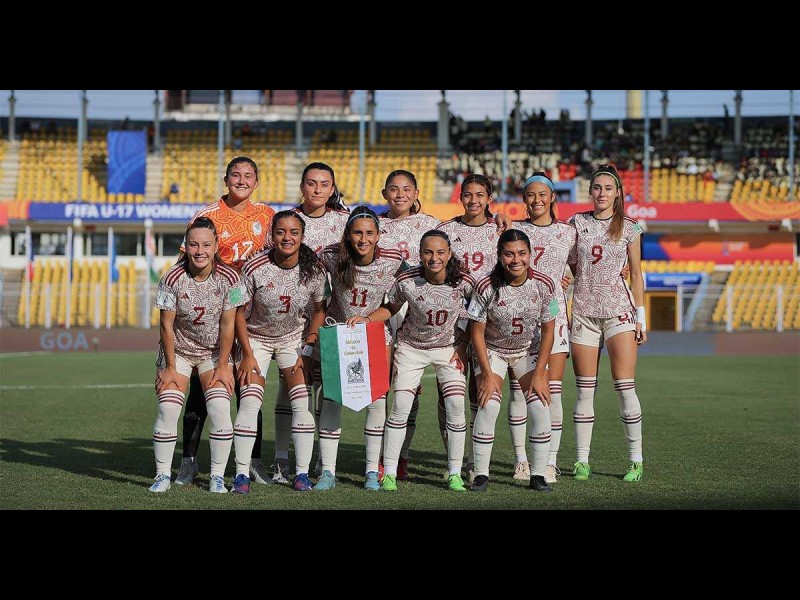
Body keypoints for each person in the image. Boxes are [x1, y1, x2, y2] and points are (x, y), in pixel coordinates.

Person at [377, 170, 512, 481]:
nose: (400, 194)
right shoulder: (436, 227)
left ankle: (472, 463)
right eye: (394, 189)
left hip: (471, 318)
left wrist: (502, 216)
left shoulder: (491, 228)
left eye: (480, 195)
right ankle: (399, 459)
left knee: (474, 392)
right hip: (410, 308)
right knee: (407, 395)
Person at [175, 157, 276, 487]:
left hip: (251, 319)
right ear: (226, 179)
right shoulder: (207, 216)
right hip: (211, 321)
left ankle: (252, 462)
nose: (242, 180)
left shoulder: (267, 216)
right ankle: (188, 463)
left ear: (256, 182)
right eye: (236, 175)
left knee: (250, 392)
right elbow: (184, 262)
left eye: (248, 176)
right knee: (200, 394)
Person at [351, 230, 475, 492]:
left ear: (449, 254)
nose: (434, 258)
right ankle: (390, 473)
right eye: (428, 252)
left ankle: (455, 473)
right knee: (401, 405)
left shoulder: (464, 281)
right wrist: (368, 319)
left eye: (440, 252)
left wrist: (464, 344)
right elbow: (392, 308)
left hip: (448, 348)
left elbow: (478, 312)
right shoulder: (407, 280)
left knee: (455, 404)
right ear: (420, 254)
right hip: (411, 348)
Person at [437, 174, 528, 483]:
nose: (473, 200)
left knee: (482, 393)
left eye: (480, 195)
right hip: (451, 322)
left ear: (490, 199)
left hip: (489, 324)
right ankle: (454, 459)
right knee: (448, 394)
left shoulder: (499, 230)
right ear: (460, 197)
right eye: (468, 194)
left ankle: (480, 461)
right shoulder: (446, 231)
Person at [148, 217, 249, 493]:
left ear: (216, 246)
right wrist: (170, 367)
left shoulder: (231, 278)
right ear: (186, 246)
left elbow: (228, 324)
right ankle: (162, 475)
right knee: (168, 407)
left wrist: (224, 364)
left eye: (206, 244)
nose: (200, 251)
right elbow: (166, 325)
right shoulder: (171, 278)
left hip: (213, 353)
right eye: (193, 245)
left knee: (219, 408)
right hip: (178, 352)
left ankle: (217, 477)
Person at [315, 206, 409, 491]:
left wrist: (369, 319)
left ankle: (371, 470)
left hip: (375, 336)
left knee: (376, 401)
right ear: (348, 234)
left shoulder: (394, 260)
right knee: (331, 399)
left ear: (379, 235)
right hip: (339, 336)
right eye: (357, 233)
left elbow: (398, 299)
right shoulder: (330, 255)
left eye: (369, 233)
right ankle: (327, 471)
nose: (363, 239)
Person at [233, 210, 328, 493]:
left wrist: (308, 347)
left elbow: (320, 310)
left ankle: (301, 474)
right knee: (250, 402)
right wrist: (247, 354)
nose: (287, 238)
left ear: (302, 236)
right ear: (271, 235)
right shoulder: (253, 267)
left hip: (292, 340)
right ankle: (241, 474)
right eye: (281, 232)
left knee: (301, 402)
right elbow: (238, 313)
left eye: (294, 232)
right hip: (256, 339)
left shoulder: (315, 270)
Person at [270, 162, 349, 484]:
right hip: (293, 320)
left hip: (332, 318)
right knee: (289, 388)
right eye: (312, 183)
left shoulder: (344, 221)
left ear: (332, 189)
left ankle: (319, 457)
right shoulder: (287, 220)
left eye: (324, 184)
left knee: (325, 388)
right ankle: (281, 459)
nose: (317, 189)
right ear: (302, 186)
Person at [567, 164, 647, 483]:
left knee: (625, 387)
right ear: (591, 192)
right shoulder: (577, 223)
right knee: (585, 391)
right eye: (597, 188)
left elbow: (636, 273)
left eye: (608, 188)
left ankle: (636, 461)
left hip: (618, 313)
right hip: (584, 312)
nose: (601, 193)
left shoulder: (630, 227)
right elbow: (569, 265)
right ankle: (581, 461)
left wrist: (641, 317)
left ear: (618, 193)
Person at [467, 229, 556, 493]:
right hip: (492, 351)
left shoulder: (544, 284)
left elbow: (549, 331)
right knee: (488, 405)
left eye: (521, 253)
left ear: (530, 254)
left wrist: (539, 373)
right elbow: (476, 332)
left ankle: (538, 474)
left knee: (540, 405)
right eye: (509, 254)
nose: (516, 260)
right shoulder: (485, 286)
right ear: (499, 256)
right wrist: (486, 374)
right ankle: (480, 474)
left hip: (527, 349)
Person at [512, 172, 577, 484]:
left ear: (552, 197)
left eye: (542, 194)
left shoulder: (568, 232)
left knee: (553, 391)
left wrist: (568, 277)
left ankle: (550, 462)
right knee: (518, 392)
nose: (536, 200)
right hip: (517, 318)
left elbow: (581, 267)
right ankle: (521, 460)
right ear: (524, 199)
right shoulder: (513, 229)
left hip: (555, 318)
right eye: (530, 194)